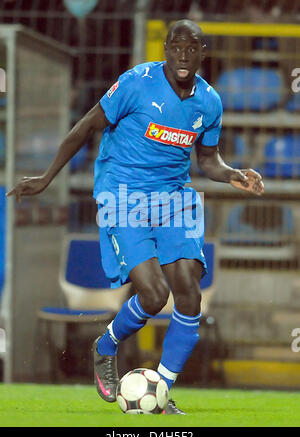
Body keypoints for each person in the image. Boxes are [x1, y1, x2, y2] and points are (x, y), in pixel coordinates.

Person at [7, 19, 264, 414]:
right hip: (122, 191)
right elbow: (84, 128)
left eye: (190, 48)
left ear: (202, 53)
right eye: (175, 47)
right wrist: (45, 177)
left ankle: (161, 389)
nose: (182, 55)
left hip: (173, 195)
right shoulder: (136, 82)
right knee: (154, 294)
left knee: (189, 291)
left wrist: (233, 175)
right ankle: (107, 343)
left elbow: (208, 159)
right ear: (166, 49)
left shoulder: (210, 102)